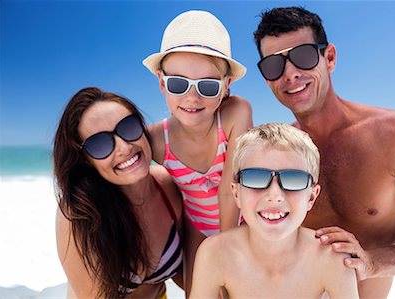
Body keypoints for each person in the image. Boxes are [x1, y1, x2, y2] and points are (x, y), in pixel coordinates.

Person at [253, 6, 395, 299]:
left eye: (303, 56)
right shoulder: (276, 153)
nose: (290, 74)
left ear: (329, 58)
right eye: (273, 65)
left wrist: (371, 263)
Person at [142, 10, 252, 294]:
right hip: (195, 230)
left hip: (242, 224)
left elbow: (231, 189)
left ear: (226, 86)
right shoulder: (155, 139)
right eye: (178, 84)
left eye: (207, 86)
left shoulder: (235, 113)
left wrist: (226, 249)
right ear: (161, 82)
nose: (192, 97)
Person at [189, 123, 359, 298]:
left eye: (293, 179)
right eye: (256, 178)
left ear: (311, 197)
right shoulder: (216, 253)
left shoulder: (332, 258)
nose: (274, 194)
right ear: (236, 193)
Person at [54, 87, 183, 299]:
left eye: (128, 127)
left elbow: (185, 274)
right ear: (86, 159)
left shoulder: (168, 186)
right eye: (100, 143)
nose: (123, 147)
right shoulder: (78, 214)